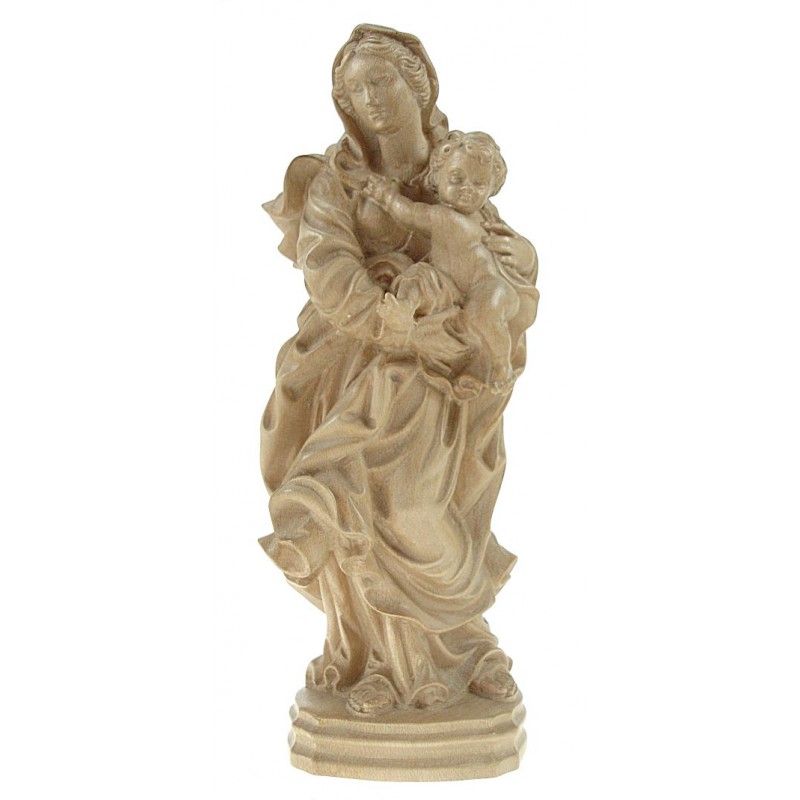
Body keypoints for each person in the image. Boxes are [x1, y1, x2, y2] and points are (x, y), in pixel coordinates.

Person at [259, 24, 539, 715]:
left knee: (414, 508)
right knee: (348, 500)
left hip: (441, 371)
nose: (373, 99)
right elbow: (329, 269)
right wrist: (396, 323)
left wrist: (501, 281)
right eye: (357, 90)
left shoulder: (458, 170)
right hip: (349, 357)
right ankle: (370, 660)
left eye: (383, 81)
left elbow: (502, 267)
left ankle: (460, 648)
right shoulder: (336, 183)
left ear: (420, 87)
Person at [363, 130, 521, 394]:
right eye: (457, 179)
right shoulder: (447, 215)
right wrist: (386, 196)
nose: (467, 190)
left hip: (489, 287)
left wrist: (385, 196)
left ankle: (501, 365)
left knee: (481, 314)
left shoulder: (478, 216)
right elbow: (410, 214)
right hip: (450, 286)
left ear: (491, 188)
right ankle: (405, 308)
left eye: (479, 184)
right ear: (437, 176)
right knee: (420, 275)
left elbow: (408, 213)